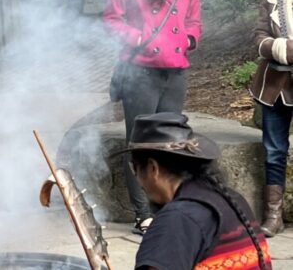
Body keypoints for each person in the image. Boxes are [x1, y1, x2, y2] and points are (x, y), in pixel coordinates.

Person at [103, 0, 201, 234]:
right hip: (140, 71)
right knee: (140, 143)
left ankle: (168, 210)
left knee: (171, 142)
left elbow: (194, 19)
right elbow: (111, 17)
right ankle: (142, 213)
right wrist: (140, 37)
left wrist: (188, 39)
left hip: (175, 71)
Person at [110, 112, 272, 269]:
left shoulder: (177, 219)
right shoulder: (231, 198)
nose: (139, 182)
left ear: (153, 168)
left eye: (135, 169)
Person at [249, 0, 293, 238]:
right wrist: (281, 49)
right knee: (274, 151)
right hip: (275, 85)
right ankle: (273, 216)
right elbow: (259, 37)